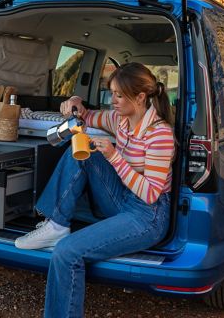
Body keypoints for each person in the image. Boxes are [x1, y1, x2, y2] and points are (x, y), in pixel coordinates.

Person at [14, 62, 175, 318]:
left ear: (141, 97)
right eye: (111, 93)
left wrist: (114, 157)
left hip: (147, 216)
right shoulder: (119, 119)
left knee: (66, 252)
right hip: (121, 198)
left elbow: (150, 194)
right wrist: (76, 102)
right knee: (81, 150)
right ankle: (56, 224)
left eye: (119, 95)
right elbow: (87, 116)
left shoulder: (160, 134)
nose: (113, 101)